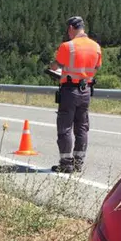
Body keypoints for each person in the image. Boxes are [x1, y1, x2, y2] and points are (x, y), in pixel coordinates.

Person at [48, 16, 102, 173]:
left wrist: (53, 66)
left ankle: (66, 163)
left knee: (65, 127)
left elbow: (57, 65)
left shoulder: (67, 46)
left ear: (71, 28)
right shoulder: (96, 47)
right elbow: (96, 67)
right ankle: (78, 162)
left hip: (69, 90)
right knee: (82, 127)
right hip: (85, 90)